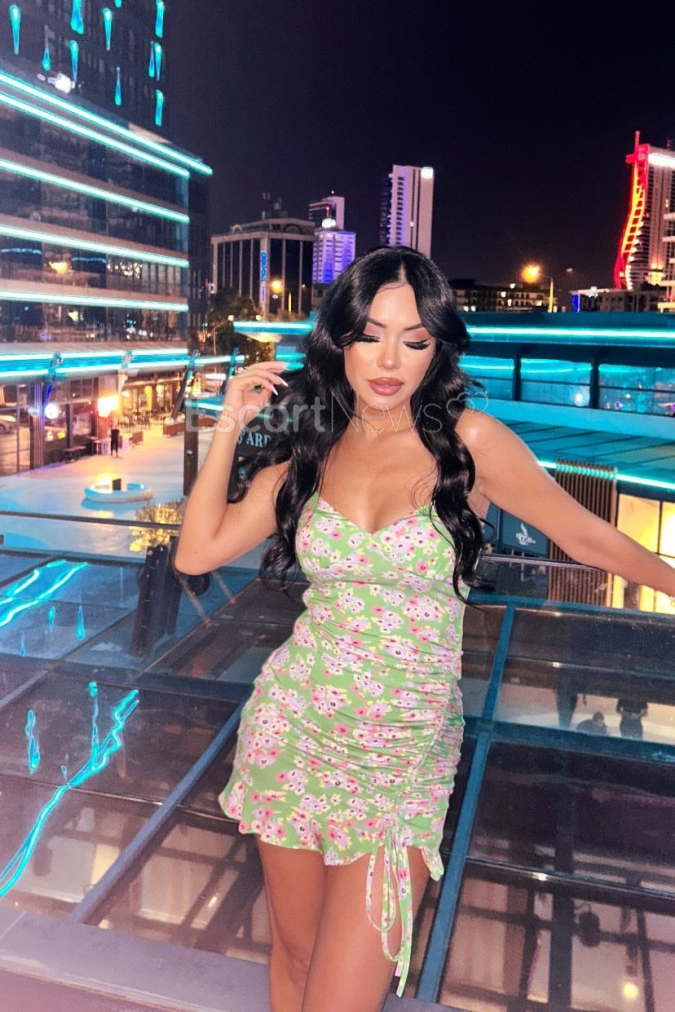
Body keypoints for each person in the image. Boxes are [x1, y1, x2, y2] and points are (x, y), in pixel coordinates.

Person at [175, 246, 675, 1012]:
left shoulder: (468, 443)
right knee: (295, 957)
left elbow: (589, 539)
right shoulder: (312, 450)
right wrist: (227, 430)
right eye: (370, 335)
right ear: (339, 340)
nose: (389, 361)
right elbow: (196, 552)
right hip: (293, 729)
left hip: (402, 760)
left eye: (413, 341)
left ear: (437, 347)